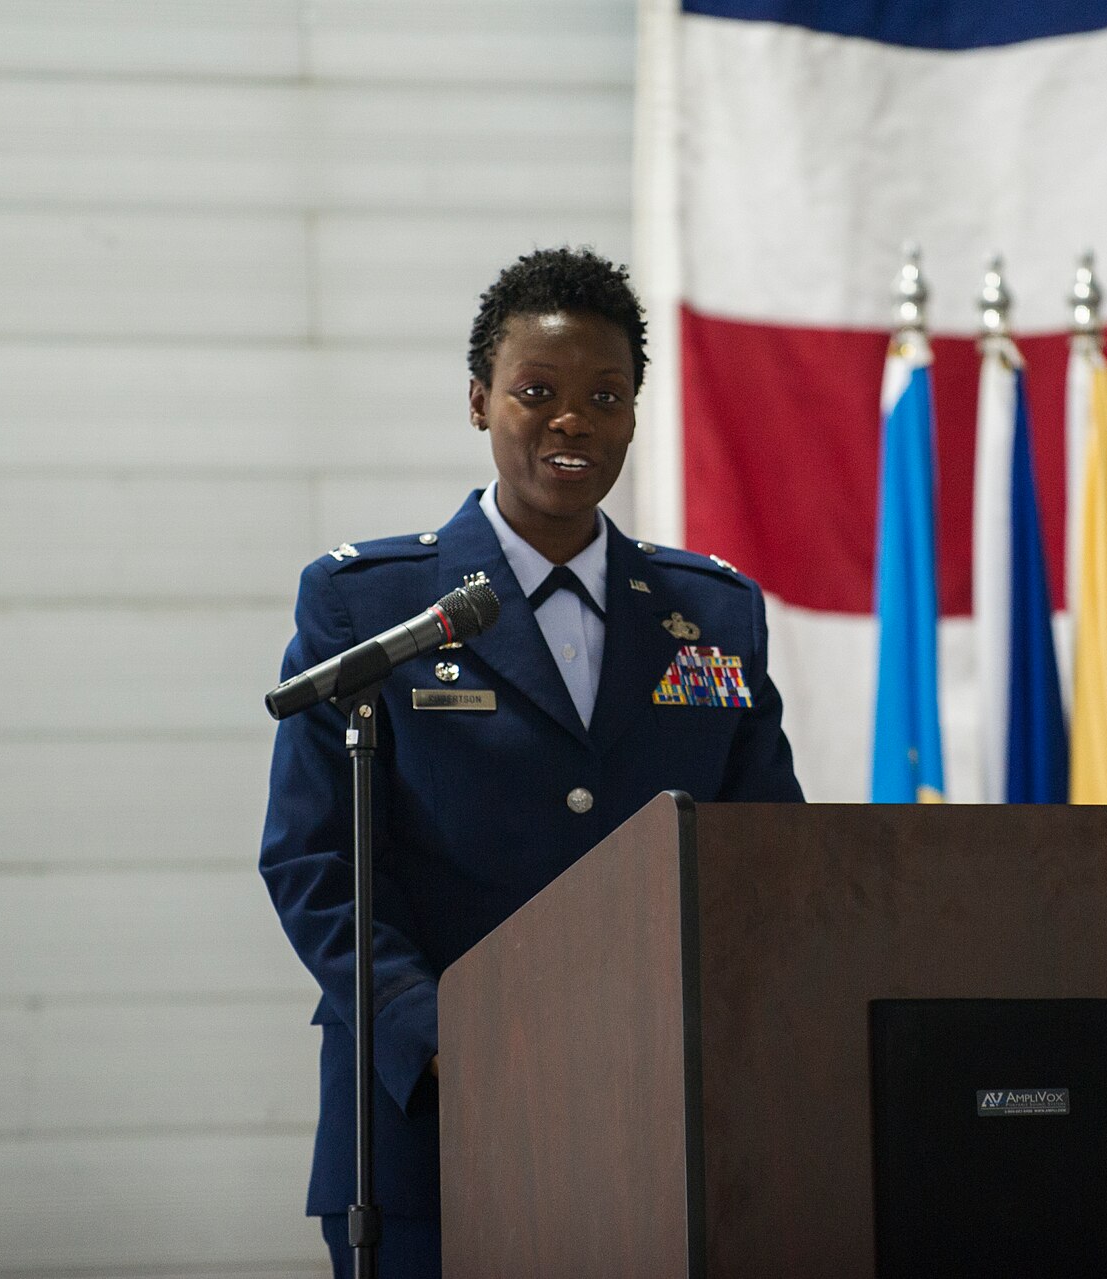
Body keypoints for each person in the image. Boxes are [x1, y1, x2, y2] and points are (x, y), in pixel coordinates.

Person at [259, 246, 804, 1276]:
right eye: (536, 392)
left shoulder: (711, 615)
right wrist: (441, 1037)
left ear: (635, 414)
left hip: (661, 1129)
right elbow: (314, 864)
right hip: (429, 1137)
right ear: (478, 401)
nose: (571, 421)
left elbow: (763, 861)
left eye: (605, 395)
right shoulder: (371, 609)